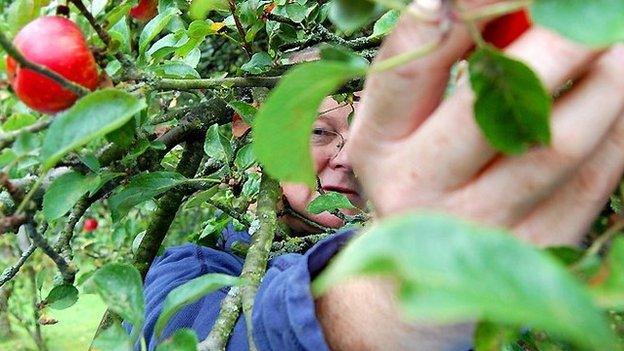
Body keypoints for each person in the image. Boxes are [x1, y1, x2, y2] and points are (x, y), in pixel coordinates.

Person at [132, 0, 624, 350]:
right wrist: (399, 289)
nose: (351, 157)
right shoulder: (191, 275)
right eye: (320, 132)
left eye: (366, 132)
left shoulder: (524, 259)